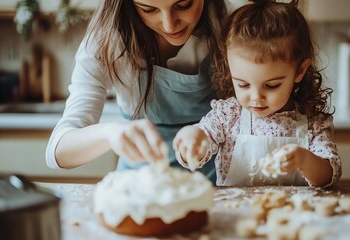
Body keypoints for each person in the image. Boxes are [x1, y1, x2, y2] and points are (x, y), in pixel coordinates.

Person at [45, 0, 244, 183]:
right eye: (148, 9)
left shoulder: (232, 23)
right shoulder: (106, 42)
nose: (169, 25)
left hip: (217, 186)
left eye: (184, 4)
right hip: (138, 187)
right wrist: (110, 133)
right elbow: (58, 151)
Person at [173, 0, 342, 187]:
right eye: (243, 84)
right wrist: (193, 139)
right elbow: (202, 142)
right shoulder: (228, 115)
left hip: (293, 214)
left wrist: (304, 160)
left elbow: (328, 175)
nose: (256, 97)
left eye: (271, 85)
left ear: (299, 71)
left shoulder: (313, 121)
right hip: (236, 213)